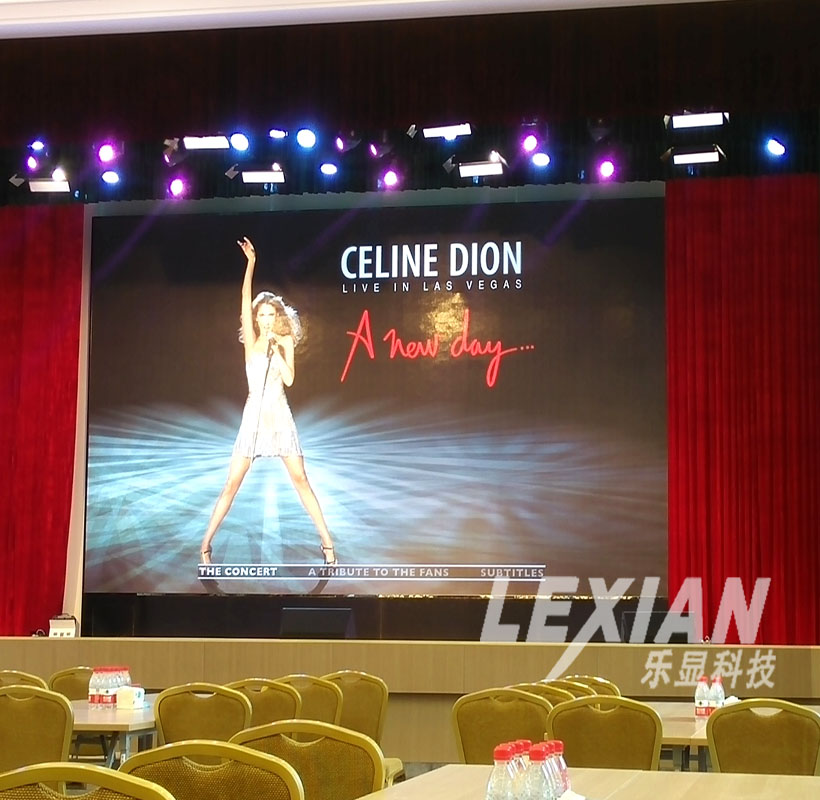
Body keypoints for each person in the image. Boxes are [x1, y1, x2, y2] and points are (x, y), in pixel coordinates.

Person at [200, 237, 337, 566]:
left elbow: (289, 380)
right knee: (232, 483)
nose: (264, 319)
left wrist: (278, 350)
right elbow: (244, 298)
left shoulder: (284, 340)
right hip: (253, 416)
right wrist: (251, 264)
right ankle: (205, 545)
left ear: (277, 317)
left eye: (269, 314)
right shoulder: (251, 342)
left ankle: (327, 543)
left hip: (279, 414)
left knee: (300, 479)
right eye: (260, 314)